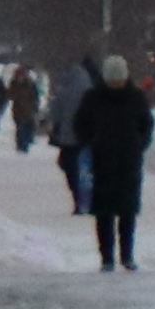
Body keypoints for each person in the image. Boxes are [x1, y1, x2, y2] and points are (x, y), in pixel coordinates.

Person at [76, 54, 155, 271]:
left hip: (128, 162)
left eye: (119, 79)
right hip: (101, 162)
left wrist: (139, 145)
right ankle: (107, 258)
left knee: (127, 212)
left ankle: (127, 256)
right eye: (112, 79)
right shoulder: (93, 98)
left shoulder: (136, 97)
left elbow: (147, 124)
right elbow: (80, 124)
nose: (116, 83)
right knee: (104, 213)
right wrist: (90, 142)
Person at [49, 54, 96, 215]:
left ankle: (78, 198)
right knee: (85, 168)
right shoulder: (90, 88)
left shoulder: (64, 87)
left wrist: (55, 125)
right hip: (86, 136)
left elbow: (55, 110)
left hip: (68, 136)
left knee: (69, 166)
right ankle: (88, 199)